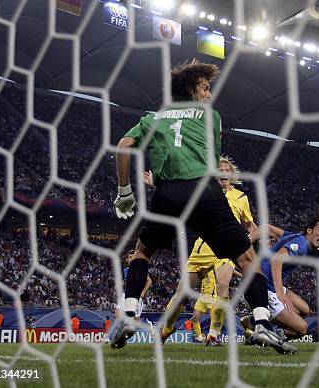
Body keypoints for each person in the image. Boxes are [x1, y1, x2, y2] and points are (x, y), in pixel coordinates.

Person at [111, 60, 290, 353]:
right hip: (204, 191)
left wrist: (124, 191)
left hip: (167, 193)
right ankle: (261, 325)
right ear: (193, 88)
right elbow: (208, 155)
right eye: (205, 88)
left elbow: (123, 146)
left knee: (142, 252)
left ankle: (129, 314)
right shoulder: (212, 116)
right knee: (247, 260)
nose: (209, 94)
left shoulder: (153, 117)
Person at [146, 156, 255, 346]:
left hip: (226, 249)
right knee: (181, 294)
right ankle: (167, 327)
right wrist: (157, 184)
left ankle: (213, 335)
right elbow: (179, 197)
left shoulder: (240, 198)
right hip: (203, 247)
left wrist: (259, 237)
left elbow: (249, 225)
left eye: (225, 170)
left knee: (223, 284)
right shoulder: (205, 191)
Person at [241, 219, 319, 341]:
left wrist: (248, 240)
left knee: (304, 309)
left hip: (261, 280)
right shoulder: (301, 245)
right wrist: (280, 293)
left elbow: (268, 228)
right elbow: (277, 260)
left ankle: (252, 321)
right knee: (302, 329)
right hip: (264, 287)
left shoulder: (293, 236)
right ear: (309, 231)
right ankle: (264, 334)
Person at [115, 252, 153, 322]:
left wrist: (143, 293)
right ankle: (119, 331)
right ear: (127, 260)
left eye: (133, 257)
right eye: (130, 257)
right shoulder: (126, 270)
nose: (131, 259)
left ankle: (144, 326)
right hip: (126, 294)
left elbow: (149, 281)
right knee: (117, 314)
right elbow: (126, 280)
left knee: (136, 319)